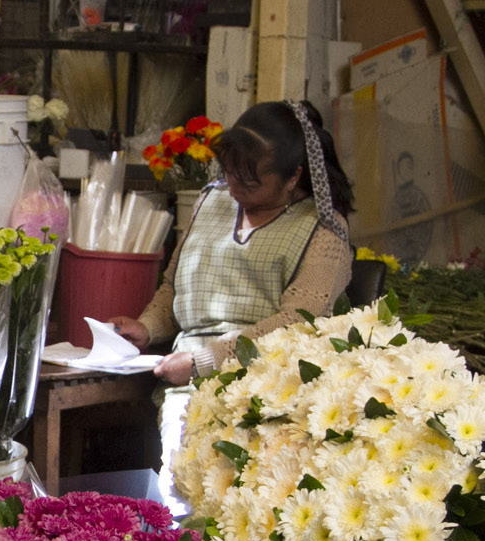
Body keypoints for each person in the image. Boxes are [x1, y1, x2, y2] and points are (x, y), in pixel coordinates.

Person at [108, 100, 354, 494]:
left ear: (293, 176)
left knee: (237, 491)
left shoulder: (323, 229)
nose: (235, 188)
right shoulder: (211, 203)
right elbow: (175, 287)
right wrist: (147, 326)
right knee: (184, 483)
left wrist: (205, 361)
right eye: (230, 174)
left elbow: (297, 323)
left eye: (250, 182)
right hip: (188, 383)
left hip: (269, 387)